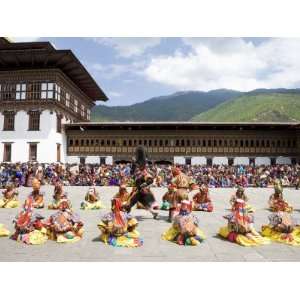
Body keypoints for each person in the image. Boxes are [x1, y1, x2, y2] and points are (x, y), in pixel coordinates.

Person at [125, 147, 159, 219]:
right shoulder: (137, 171)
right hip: (138, 190)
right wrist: (133, 163)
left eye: (139, 165)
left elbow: (150, 180)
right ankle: (154, 213)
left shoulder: (144, 172)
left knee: (130, 201)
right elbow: (131, 172)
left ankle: (125, 214)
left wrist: (142, 185)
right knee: (144, 203)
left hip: (140, 191)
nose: (138, 166)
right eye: (138, 165)